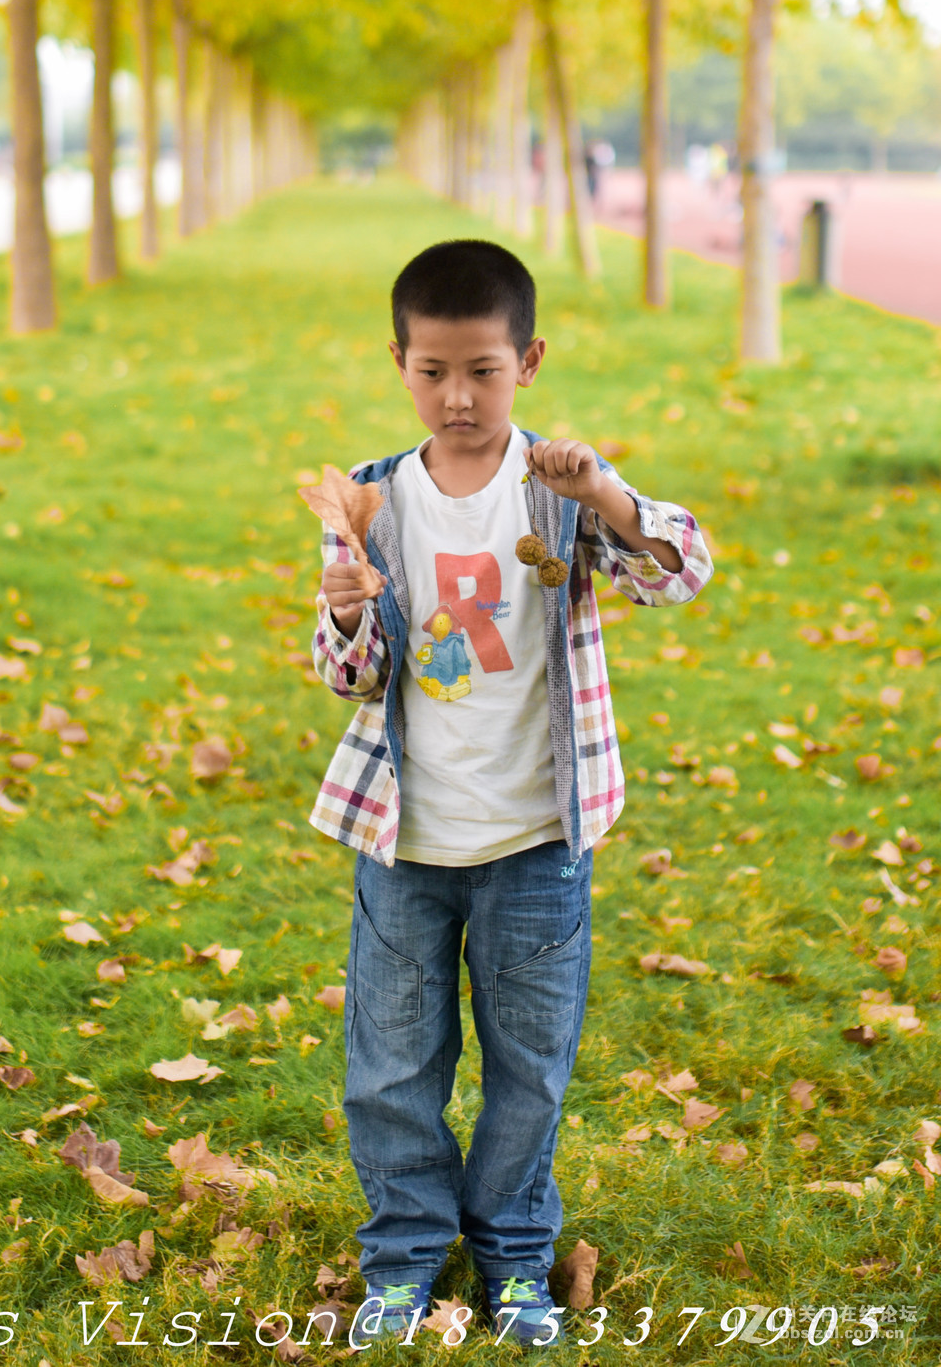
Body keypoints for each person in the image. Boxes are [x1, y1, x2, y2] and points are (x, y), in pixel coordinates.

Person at [307, 238, 713, 1349]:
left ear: (527, 361)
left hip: (537, 838)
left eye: (482, 370)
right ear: (398, 362)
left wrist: (610, 493)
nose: (457, 396)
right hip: (408, 844)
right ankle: (400, 1258)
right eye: (433, 370)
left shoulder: (561, 489)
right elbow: (351, 675)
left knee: (527, 1072)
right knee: (393, 1069)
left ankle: (517, 1259)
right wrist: (346, 604)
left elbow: (681, 570)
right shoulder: (375, 499)